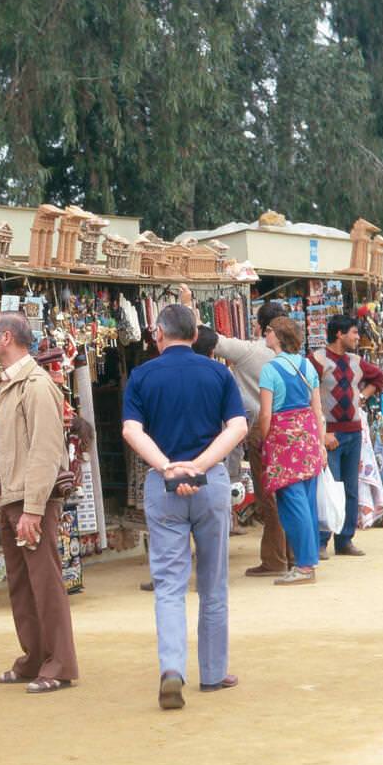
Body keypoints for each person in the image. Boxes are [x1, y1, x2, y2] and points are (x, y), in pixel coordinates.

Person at [122, 304, 248, 711]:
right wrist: (200, 465)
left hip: (163, 488)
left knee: (170, 586)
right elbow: (238, 426)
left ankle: (172, 669)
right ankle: (213, 673)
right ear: (195, 335)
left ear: (159, 333)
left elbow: (131, 429)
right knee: (213, 583)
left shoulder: (142, 375)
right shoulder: (218, 373)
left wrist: (167, 467)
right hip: (210, 484)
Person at [0, 313, 79, 695]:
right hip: (12, 496)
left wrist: (34, 508)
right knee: (23, 585)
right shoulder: (12, 385)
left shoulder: (36, 386)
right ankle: (35, 656)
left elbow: (45, 449)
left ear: (6, 338)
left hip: (28, 499)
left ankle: (59, 663)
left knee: (44, 583)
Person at [182, 285, 291, 578]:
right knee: (290, 494)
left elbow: (206, 337)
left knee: (269, 498)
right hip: (291, 431)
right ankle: (295, 554)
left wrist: (189, 305)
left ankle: (275, 559)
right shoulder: (295, 358)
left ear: (261, 327)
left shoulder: (249, 352)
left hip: (259, 429)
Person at [309, 315, 383, 558]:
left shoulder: (356, 361)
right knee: (329, 488)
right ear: (340, 334)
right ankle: (322, 541)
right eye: (353, 333)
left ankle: (345, 540)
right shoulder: (317, 360)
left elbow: (379, 378)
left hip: (353, 432)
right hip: (330, 433)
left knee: (350, 488)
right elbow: (306, 393)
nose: (357, 337)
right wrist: (322, 432)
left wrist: (361, 397)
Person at [256, 317, 325, 586]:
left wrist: (266, 441)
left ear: (278, 336)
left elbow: (265, 414)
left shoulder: (270, 370)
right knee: (306, 501)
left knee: (291, 503)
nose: (265, 333)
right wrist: (320, 443)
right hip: (307, 436)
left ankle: (305, 565)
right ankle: (306, 562)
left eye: (269, 330)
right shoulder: (308, 365)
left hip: (283, 439)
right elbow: (317, 409)